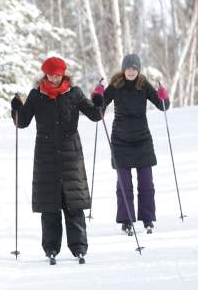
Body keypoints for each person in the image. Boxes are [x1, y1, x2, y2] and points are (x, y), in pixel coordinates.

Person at [11, 56, 101, 264]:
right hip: (45, 155)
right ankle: (51, 247)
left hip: (71, 154)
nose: (54, 77)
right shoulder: (36, 95)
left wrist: (98, 103)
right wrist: (16, 108)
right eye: (51, 73)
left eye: (58, 73)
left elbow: (95, 115)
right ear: (45, 74)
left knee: (73, 204)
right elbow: (22, 122)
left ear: (63, 74)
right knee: (50, 205)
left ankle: (79, 247)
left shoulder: (75, 93)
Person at [90, 53, 170, 235]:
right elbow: (98, 111)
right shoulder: (116, 85)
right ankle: (126, 220)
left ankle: (148, 218)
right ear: (123, 69)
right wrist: (98, 97)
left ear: (138, 70)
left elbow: (162, 106)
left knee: (146, 184)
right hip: (121, 142)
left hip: (142, 140)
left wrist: (163, 95)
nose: (131, 71)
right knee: (124, 184)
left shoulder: (144, 85)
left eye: (134, 68)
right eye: (128, 68)